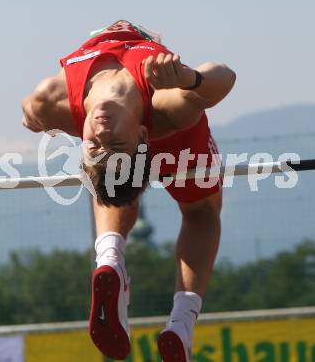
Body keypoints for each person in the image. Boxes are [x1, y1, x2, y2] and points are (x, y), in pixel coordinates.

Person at [22, 20, 236, 361]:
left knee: (110, 177)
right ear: (140, 136)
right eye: (116, 142)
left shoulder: (52, 101)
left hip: (160, 131)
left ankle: (112, 261)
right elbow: (224, 76)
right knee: (200, 212)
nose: (102, 132)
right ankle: (181, 321)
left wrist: (32, 117)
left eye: (93, 145)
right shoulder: (168, 99)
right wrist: (189, 78)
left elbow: (29, 110)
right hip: (170, 131)